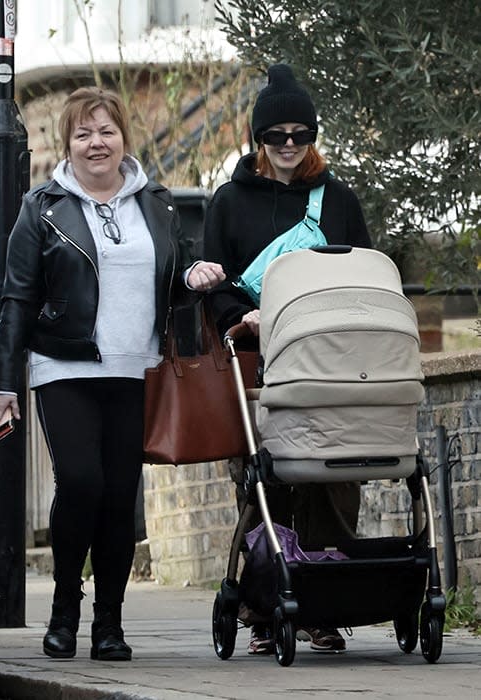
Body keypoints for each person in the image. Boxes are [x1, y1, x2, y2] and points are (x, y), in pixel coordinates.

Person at [0, 86, 225, 661]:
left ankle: (109, 626)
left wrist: (192, 275)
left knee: (120, 498)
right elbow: (16, 299)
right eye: (83, 133)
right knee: (82, 483)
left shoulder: (157, 203)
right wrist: (1, 383)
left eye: (106, 131)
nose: (97, 143)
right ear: (68, 144)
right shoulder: (41, 208)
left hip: (135, 369)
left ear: (123, 140)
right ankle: (65, 609)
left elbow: (175, 268)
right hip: (63, 366)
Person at [204, 64, 372, 654]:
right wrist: (238, 318)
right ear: (258, 140)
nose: (289, 146)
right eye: (277, 136)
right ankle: (263, 604)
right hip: (257, 359)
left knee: (330, 476)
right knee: (264, 484)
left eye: (301, 134)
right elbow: (217, 280)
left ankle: (323, 605)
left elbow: (364, 273)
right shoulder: (228, 203)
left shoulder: (339, 199)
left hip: (326, 357)